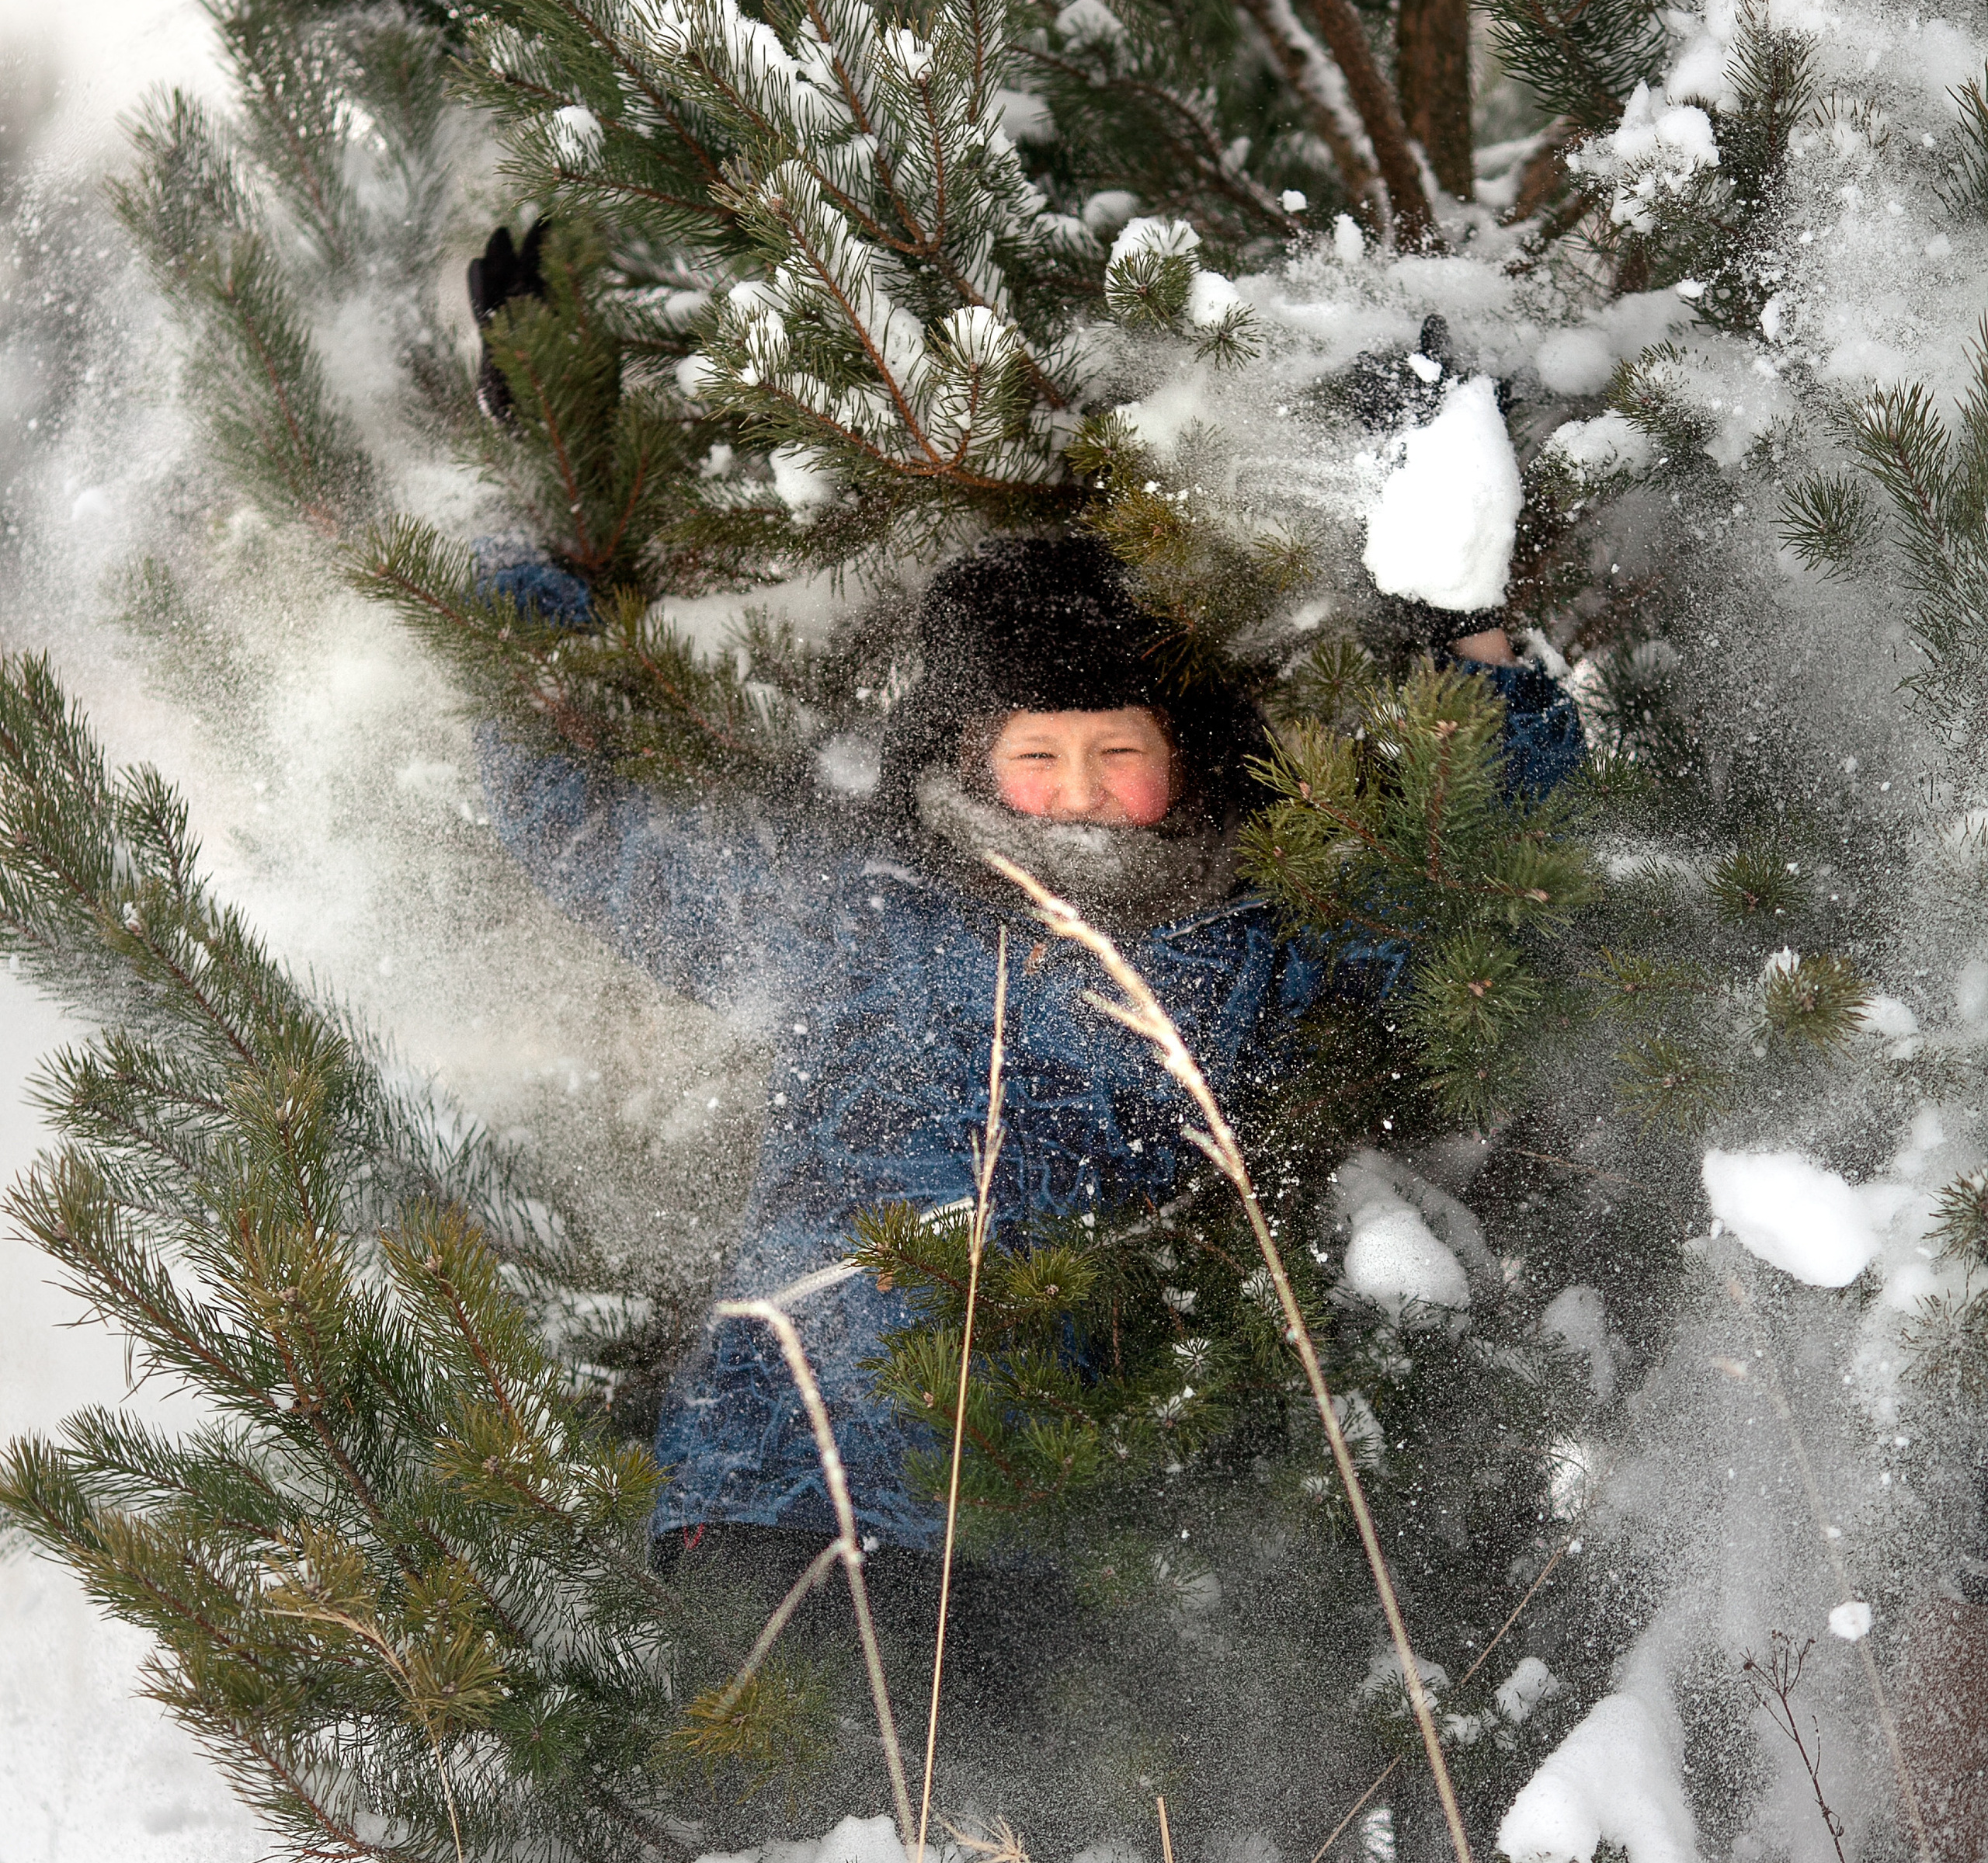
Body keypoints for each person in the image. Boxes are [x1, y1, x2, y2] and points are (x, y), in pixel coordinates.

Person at [478, 530, 1583, 1557]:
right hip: (785, 1493)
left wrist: (1464, 616)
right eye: (1037, 752)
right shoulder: (857, 914)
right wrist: (509, 599)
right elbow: (598, 840)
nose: (1079, 793)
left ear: (1183, 761)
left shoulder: (1242, 944)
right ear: (970, 753)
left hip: (1060, 1524)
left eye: (1119, 749)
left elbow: (1469, 869)